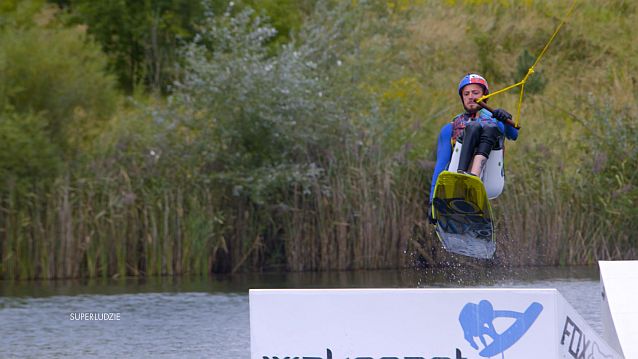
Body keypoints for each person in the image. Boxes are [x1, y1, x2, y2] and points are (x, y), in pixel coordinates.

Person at [428, 73, 519, 223]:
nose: (470, 97)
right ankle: (464, 180)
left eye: (475, 93)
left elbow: (513, 135)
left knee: (490, 127)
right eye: (466, 94)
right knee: (473, 127)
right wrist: (432, 200)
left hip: (489, 182)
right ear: (462, 98)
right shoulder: (449, 129)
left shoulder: (496, 121)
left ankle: (472, 179)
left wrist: (506, 119)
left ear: (485, 96)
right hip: (456, 183)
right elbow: (440, 166)